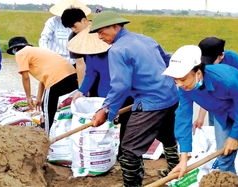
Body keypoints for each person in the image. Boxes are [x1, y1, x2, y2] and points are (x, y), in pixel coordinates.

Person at [89, 11, 180, 186]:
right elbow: (168, 60)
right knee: (166, 135)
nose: (100, 37)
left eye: (101, 32)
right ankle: (175, 170)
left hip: (151, 102)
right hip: (170, 96)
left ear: (116, 26)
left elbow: (121, 85)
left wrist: (106, 109)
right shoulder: (146, 39)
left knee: (128, 151)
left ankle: (132, 184)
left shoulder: (117, 50)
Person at [162, 45, 238, 178]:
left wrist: (235, 136)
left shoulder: (226, 80)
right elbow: (183, 118)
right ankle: (230, 183)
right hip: (223, 113)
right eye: (175, 80)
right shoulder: (184, 89)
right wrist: (183, 158)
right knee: (224, 155)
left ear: (198, 73)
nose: (179, 84)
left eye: (183, 79)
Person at [67, 25, 134, 159]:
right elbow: (90, 74)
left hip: (125, 93)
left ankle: (124, 155)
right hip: (103, 95)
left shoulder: (118, 51)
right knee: (101, 124)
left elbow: (126, 78)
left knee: (127, 125)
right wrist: (81, 91)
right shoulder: (91, 55)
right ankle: (99, 153)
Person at [7, 36, 78, 134]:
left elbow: (25, 77)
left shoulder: (20, 53)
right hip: (72, 77)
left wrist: (28, 97)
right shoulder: (37, 51)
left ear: (14, 49)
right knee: (63, 107)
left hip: (56, 79)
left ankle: (47, 136)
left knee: (48, 109)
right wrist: (39, 98)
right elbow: (43, 78)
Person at [194, 36, 238, 130]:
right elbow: (205, 91)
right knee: (216, 127)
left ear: (221, 56)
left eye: (210, 62)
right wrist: (200, 117)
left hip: (237, 95)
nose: (207, 65)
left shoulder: (234, 60)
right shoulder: (200, 64)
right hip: (216, 98)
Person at [39, 0, 91, 66]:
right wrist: (47, 58)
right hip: (57, 61)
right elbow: (44, 39)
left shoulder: (81, 26)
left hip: (74, 60)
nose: (73, 30)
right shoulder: (52, 22)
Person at [61, 7, 91, 87]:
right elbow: (80, 63)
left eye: (74, 26)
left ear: (84, 20)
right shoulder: (73, 38)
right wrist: (81, 88)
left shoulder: (100, 29)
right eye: (70, 28)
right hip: (90, 73)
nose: (73, 30)